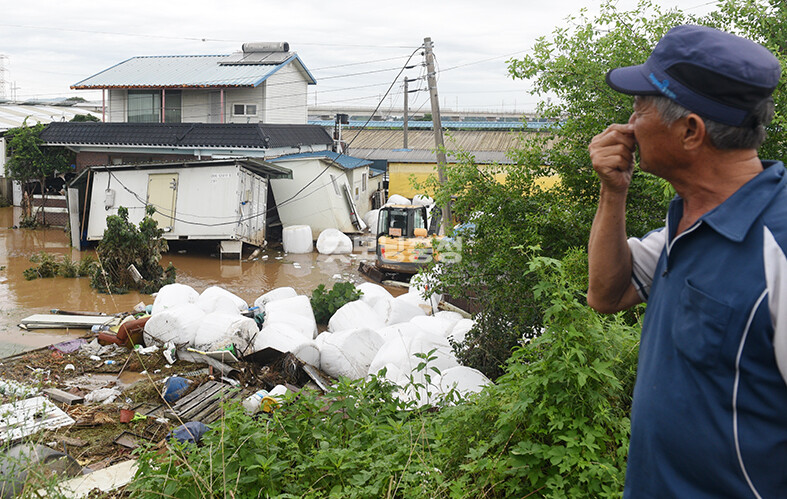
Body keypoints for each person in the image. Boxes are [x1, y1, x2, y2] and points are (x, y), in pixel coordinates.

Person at [587, 25, 787, 497]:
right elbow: (606, 294)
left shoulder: (776, 248)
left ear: (690, 131)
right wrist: (613, 192)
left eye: (641, 106)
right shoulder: (687, 225)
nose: (630, 123)